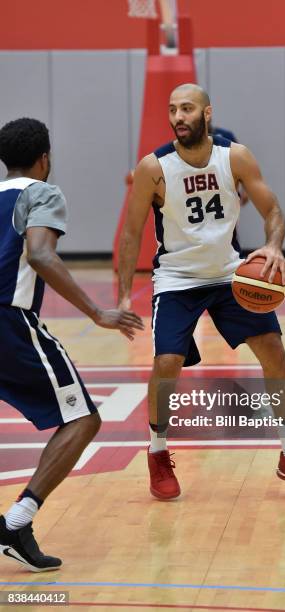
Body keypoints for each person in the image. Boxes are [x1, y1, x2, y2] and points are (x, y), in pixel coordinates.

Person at [118, 84, 285, 500]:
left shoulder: (235, 157)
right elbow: (132, 231)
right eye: (173, 109)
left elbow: (273, 210)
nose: (179, 116)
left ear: (207, 113)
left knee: (273, 349)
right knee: (167, 362)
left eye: (188, 108)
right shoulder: (153, 168)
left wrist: (273, 245)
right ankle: (158, 453)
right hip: (177, 278)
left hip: (230, 274)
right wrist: (125, 294)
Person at [0, 118, 143, 571]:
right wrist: (97, 312)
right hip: (9, 321)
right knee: (82, 418)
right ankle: (17, 521)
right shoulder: (42, 192)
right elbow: (41, 255)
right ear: (45, 159)